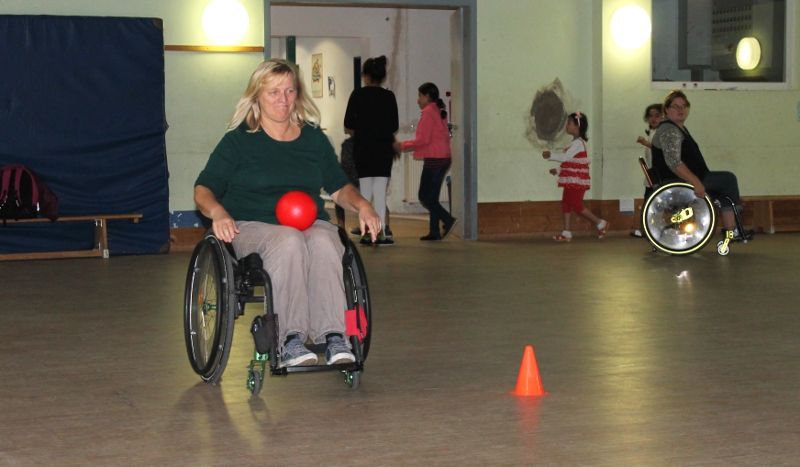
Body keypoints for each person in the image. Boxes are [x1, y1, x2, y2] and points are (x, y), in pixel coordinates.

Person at [194, 59, 382, 368]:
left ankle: (334, 334)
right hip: (250, 225)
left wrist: (363, 205)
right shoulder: (239, 141)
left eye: (290, 91)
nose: (283, 99)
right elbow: (203, 189)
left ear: (298, 94)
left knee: (325, 240)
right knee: (289, 240)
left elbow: (338, 187)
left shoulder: (312, 139)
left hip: (308, 223)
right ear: (257, 96)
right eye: (274, 92)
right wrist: (218, 213)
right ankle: (290, 339)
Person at [651, 89, 753, 240]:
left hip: (689, 178)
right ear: (666, 109)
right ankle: (732, 229)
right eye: (675, 106)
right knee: (728, 180)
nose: (681, 109)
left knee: (725, 186)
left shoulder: (679, 128)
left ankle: (732, 230)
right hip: (679, 181)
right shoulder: (669, 130)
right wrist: (696, 182)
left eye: (684, 106)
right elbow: (673, 162)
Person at [344, 56, 399, 246]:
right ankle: (381, 232)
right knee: (381, 192)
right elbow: (394, 125)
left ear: (366, 76)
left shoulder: (357, 95)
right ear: (382, 77)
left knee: (365, 192)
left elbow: (348, 124)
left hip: (363, 149)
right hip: (383, 149)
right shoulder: (389, 96)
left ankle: (366, 232)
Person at [394, 82, 458, 241]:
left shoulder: (429, 112)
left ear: (426, 96)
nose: (418, 99)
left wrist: (402, 145)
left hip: (435, 159)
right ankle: (434, 232)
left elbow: (422, 139)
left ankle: (448, 219)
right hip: (443, 157)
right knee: (433, 197)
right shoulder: (438, 110)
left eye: (419, 96)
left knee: (424, 196)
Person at [542, 111, 609, 242]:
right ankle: (566, 232)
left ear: (577, 126)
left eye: (569, 123)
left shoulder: (579, 143)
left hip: (578, 180)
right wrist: (559, 170)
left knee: (576, 205)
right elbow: (572, 162)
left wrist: (551, 156)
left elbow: (566, 157)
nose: (566, 126)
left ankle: (601, 223)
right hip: (572, 179)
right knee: (566, 203)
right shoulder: (574, 143)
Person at [630, 103, 662, 237]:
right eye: (651, 116)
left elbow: (660, 149)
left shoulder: (662, 132)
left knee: (656, 203)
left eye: (657, 115)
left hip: (659, 173)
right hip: (651, 173)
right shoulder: (653, 131)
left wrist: (645, 143)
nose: (653, 118)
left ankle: (651, 229)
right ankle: (647, 229)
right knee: (649, 202)